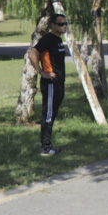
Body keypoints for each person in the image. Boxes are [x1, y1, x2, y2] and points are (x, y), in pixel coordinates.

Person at [26, 14, 69, 156]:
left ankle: (48, 144)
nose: (64, 26)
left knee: (53, 113)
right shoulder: (47, 39)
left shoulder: (58, 40)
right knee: (48, 115)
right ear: (53, 26)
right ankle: (45, 147)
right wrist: (41, 72)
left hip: (59, 83)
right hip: (50, 84)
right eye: (61, 24)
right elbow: (32, 53)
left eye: (65, 23)